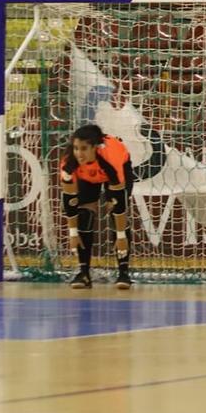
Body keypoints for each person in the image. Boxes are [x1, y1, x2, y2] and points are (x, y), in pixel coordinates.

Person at [61, 124, 135, 290]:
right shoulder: (69, 163)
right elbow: (70, 200)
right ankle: (84, 273)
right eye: (76, 148)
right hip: (87, 177)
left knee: (115, 213)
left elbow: (119, 202)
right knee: (84, 216)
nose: (79, 154)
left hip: (116, 170)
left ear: (95, 147)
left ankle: (124, 273)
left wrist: (121, 236)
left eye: (84, 149)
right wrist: (73, 233)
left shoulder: (111, 158)